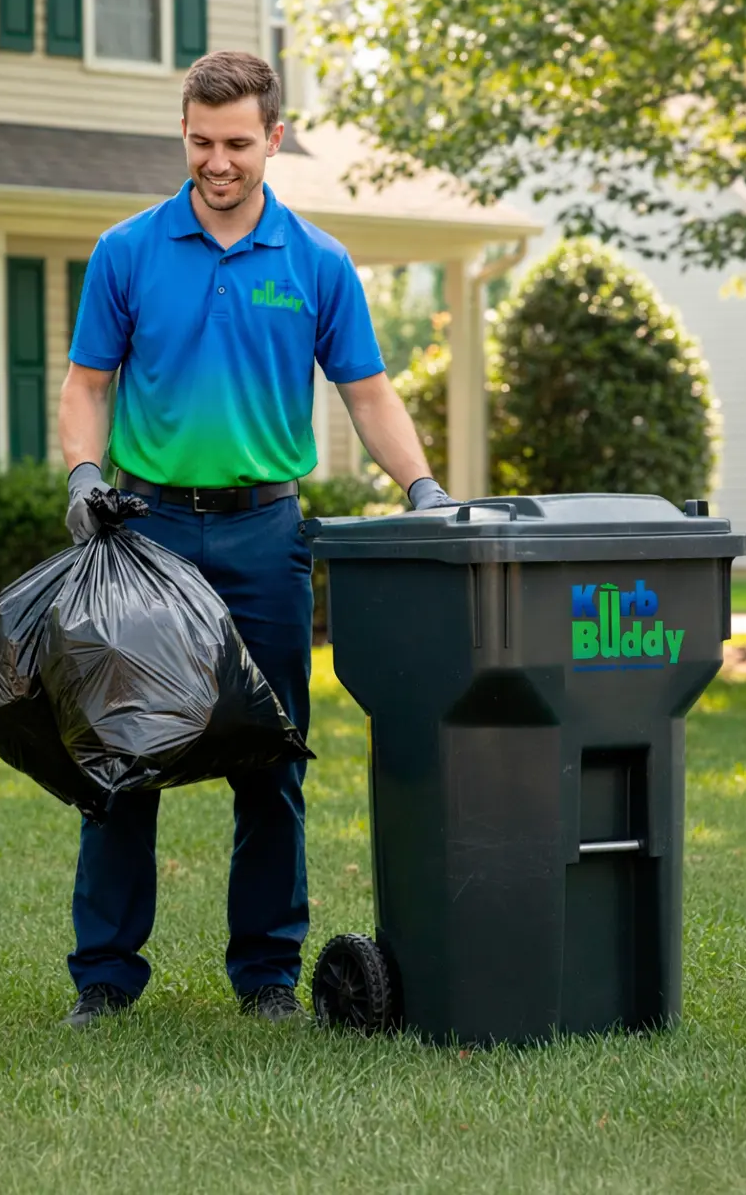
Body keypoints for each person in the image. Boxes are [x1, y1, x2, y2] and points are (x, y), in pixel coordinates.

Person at [58, 50, 454, 1026]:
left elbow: (366, 390)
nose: (218, 161)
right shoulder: (128, 250)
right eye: (200, 141)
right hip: (145, 533)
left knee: (270, 763)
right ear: (182, 132)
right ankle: (105, 978)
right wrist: (82, 478)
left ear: (273, 137)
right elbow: (88, 384)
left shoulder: (315, 262)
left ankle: (267, 978)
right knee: (120, 758)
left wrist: (424, 487)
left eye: (237, 143)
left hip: (264, 536)